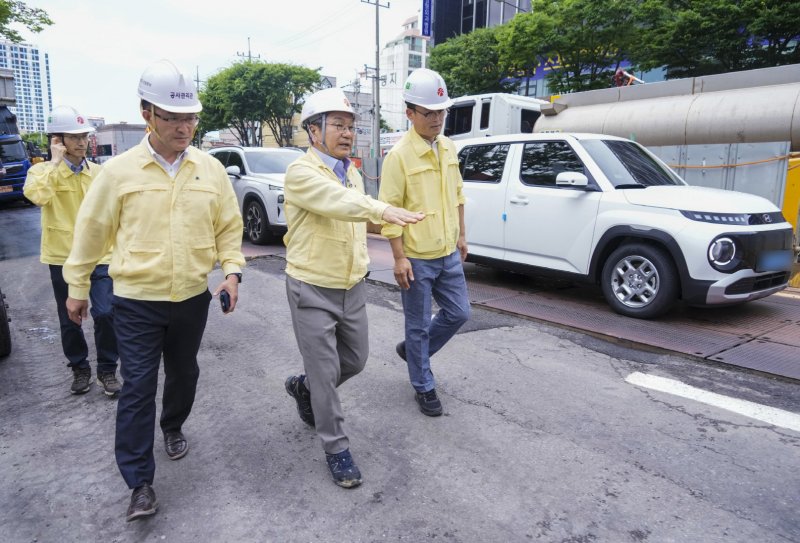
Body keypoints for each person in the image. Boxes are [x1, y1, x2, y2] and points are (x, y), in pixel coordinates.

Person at [62, 59, 244, 522]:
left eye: (190, 117)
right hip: (136, 300)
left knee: (184, 373)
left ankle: (174, 425)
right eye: (173, 117)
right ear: (147, 113)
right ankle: (139, 481)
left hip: (190, 298)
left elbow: (228, 226)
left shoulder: (210, 170)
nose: (185, 127)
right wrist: (77, 286)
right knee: (139, 386)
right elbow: (91, 231)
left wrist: (232, 271)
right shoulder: (118, 172)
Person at [282, 87, 424, 488]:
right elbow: (337, 203)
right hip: (310, 285)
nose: (347, 134)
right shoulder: (302, 172)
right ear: (313, 130)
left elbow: (357, 217)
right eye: (337, 126)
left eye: (350, 126)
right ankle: (336, 448)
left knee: (356, 360)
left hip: (351, 285)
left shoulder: (353, 172)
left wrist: (399, 230)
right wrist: (380, 208)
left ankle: (304, 387)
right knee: (326, 372)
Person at [378, 68, 471, 417]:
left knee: (460, 313)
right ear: (410, 113)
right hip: (416, 257)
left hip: (448, 253)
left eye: (441, 111)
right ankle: (423, 385)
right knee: (416, 325)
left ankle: (414, 351)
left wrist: (462, 235)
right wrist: (399, 258)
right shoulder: (399, 157)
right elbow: (390, 211)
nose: (437, 118)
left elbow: (459, 194)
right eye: (428, 112)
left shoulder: (448, 147)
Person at [23, 105, 120, 397]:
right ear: (57, 140)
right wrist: (53, 164)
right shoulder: (41, 171)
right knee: (70, 319)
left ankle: (107, 370)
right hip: (62, 258)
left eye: (84, 136)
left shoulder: (100, 173)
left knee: (106, 313)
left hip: (100, 256)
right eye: (73, 137)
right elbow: (38, 197)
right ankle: (79, 369)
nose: (81, 142)